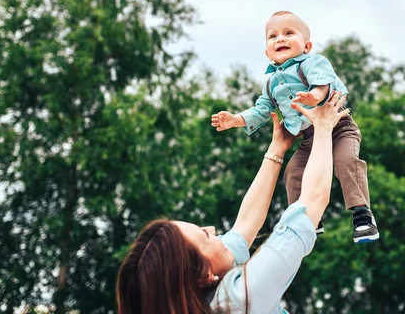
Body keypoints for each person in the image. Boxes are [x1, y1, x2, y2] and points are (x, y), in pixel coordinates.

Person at [117, 92, 350, 313]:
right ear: (204, 276)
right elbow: (312, 203)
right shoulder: (242, 298)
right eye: (204, 236)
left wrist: (277, 148)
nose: (211, 230)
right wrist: (322, 127)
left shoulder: (196, 296)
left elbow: (245, 226)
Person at [211, 11, 378, 243]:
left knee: (346, 162)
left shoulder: (312, 62)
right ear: (267, 52)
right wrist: (236, 119)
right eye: (273, 36)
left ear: (307, 45)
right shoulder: (270, 83)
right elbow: (261, 109)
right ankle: (307, 219)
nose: (280, 39)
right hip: (309, 138)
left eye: (289, 33)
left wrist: (314, 96)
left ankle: (362, 215)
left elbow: (324, 83)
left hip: (338, 128)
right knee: (293, 172)